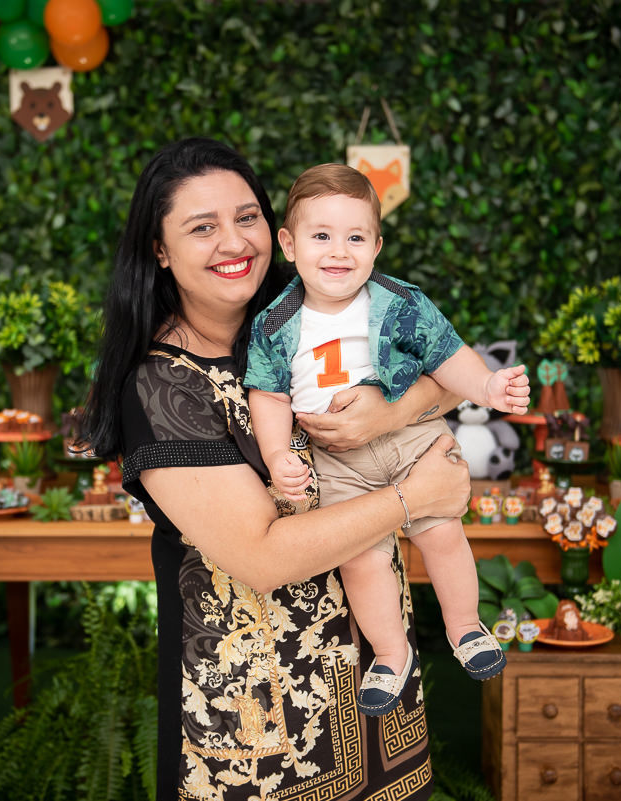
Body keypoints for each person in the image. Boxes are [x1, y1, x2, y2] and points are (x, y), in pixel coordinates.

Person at [82, 138, 472, 801]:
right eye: (201, 227)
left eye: (247, 216)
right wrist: (413, 496)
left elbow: (450, 378)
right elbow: (262, 556)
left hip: (372, 680)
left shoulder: (308, 321)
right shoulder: (161, 387)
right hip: (259, 727)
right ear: (159, 249)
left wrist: (384, 415)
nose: (234, 242)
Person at [244, 164, 530, 715]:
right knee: (361, 559)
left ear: (376, 246)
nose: (339, 251)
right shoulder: (275, 324)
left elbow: (448, 357)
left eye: (356, 237)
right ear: (288, 243)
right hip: (336, 460)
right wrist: (278, 455)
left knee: (442, 532)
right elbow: (270, 396)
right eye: (321, 236)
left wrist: (489, 385)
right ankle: (390, 653)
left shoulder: (401, 302)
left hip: (412, 439)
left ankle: (466, 627)